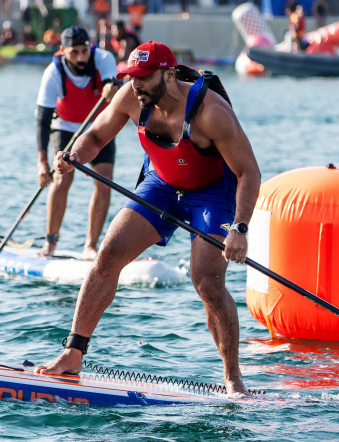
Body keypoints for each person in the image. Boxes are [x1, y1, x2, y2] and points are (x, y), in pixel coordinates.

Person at [36, 41, 261, 395]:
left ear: (168, 75)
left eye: (143, 77)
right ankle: (72, 354)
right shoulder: (130, 97)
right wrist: (74, 155)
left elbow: (249, 173)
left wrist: (240, 228)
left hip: (212, 194)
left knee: (207, 282)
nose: (135, 84)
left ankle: (233, 378)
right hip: (161, 186)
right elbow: (95, 135)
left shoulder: (211, 112)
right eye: (131, 76)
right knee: (108, 255)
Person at [35, 26, 121, 259]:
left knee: (104, 181)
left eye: (85, 51)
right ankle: (50, 244)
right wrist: (42, 162)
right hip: (64, 127)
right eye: (74, 52)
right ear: (62, 51)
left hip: (98, 127)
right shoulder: (53, 72)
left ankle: (90, 247)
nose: (81, 58)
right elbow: (43, 121)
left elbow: (112, 82)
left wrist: (111, 87)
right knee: (62, 179)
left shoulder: (103, 58)